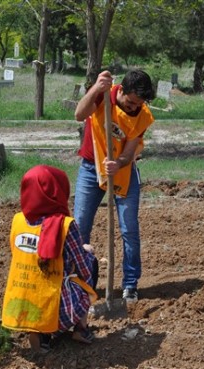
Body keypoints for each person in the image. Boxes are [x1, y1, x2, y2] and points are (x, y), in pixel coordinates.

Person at [73, 69, 155, 303]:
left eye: (137, 104)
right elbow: (79, 115)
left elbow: (129, 153)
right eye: (129, 102)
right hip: (91, 168)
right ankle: (81, 282)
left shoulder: (143, 116)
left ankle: (130, 284)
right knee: (79, 228)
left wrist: (118, 163)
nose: (132, 108)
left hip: (123, 172)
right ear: (121, 90)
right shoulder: (102, 95)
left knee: (129, 229)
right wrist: (95, 90)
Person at [1, 165, 98, 350]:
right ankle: (81, 328)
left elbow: (20, 255)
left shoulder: (18, 220)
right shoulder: (65, 226)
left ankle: (41, 335)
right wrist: (87, 252)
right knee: (90, 263)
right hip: (57, 311)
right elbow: (83, 268)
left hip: (21, 307)